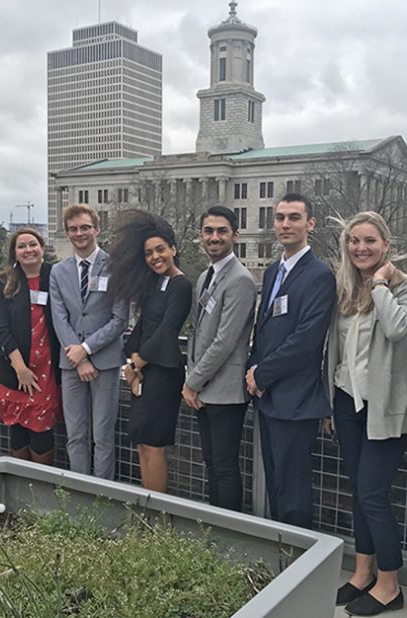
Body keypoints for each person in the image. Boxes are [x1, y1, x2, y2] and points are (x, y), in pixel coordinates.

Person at [325, 212, 407, 616]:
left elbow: (398, 329)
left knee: (373, 494)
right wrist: (329, 402)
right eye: (354, 240)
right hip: (347, 402)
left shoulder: (406, 286)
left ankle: (390, 584)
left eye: (369, 241)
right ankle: (363, 572)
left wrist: (380, 283)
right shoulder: (343, 289)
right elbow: (336, 351)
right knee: (357, 491)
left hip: (386, 409)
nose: (360, 248)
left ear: (385, 245)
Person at [245, 193, 335, 528]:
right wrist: (252, 370)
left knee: (293, 493)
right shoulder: (272, 272)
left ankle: (299, 555)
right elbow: (264, 329)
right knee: (275, 485)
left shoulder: (319, 275)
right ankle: (280, 551)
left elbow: (306, 340)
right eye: (280, 217)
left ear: (310, 224)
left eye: (294, 217)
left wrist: (261, 374)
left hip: (296, 401)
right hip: (268, 397)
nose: (286, 224)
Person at [109, 210, 192, 493]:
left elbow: (166, 331)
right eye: (148, 253)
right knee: (142, 442)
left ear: (173, 249)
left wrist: (136, 366)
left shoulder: (181, 285)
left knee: (154, 445)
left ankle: (157, 510)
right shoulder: (156, 283)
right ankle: (146, 503)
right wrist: (132, 360)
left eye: (160, 249)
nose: (155, 257)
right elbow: (143, 326)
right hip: (144, 370)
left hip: (163, 373)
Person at [183, 206, 256, 511]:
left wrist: (192, 382)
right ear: (201, 236)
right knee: (211, 462)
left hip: (225, 390)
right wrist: (194, 381)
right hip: (203, 388)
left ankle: (229, 531)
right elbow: (197, 331)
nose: (214, 237)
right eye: (208, 231)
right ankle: (214, 526)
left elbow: (225, 341)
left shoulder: (240, 280)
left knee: (224, 466)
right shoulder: (205, 276)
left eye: (222, 231)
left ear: (235, 236)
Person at [50, 205, 128, 479]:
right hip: (70, 364)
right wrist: (78, 356)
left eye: (85, 227)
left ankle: (102, 494)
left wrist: (85, 350)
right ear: (66, 233)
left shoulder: (117, 268)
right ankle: (79, 492)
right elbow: (59, 318)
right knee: (75, 434)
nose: (79, 233)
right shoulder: (58, 271)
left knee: (103, 435)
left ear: (97, 229)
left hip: (104, 362)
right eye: (73, 229)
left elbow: (120, 319)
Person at [0, 228, 62, 465]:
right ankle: (20, 482)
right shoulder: (5, 281)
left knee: (41, 431)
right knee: (18, 430)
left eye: (33, 244)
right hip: (14, 366)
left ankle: (41, 483)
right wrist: (20, 369)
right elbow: (0, 328)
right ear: (15, 253)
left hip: (47, 368)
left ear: (42, 248)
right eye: (21, 246)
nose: (28, 250)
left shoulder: (55, 276)